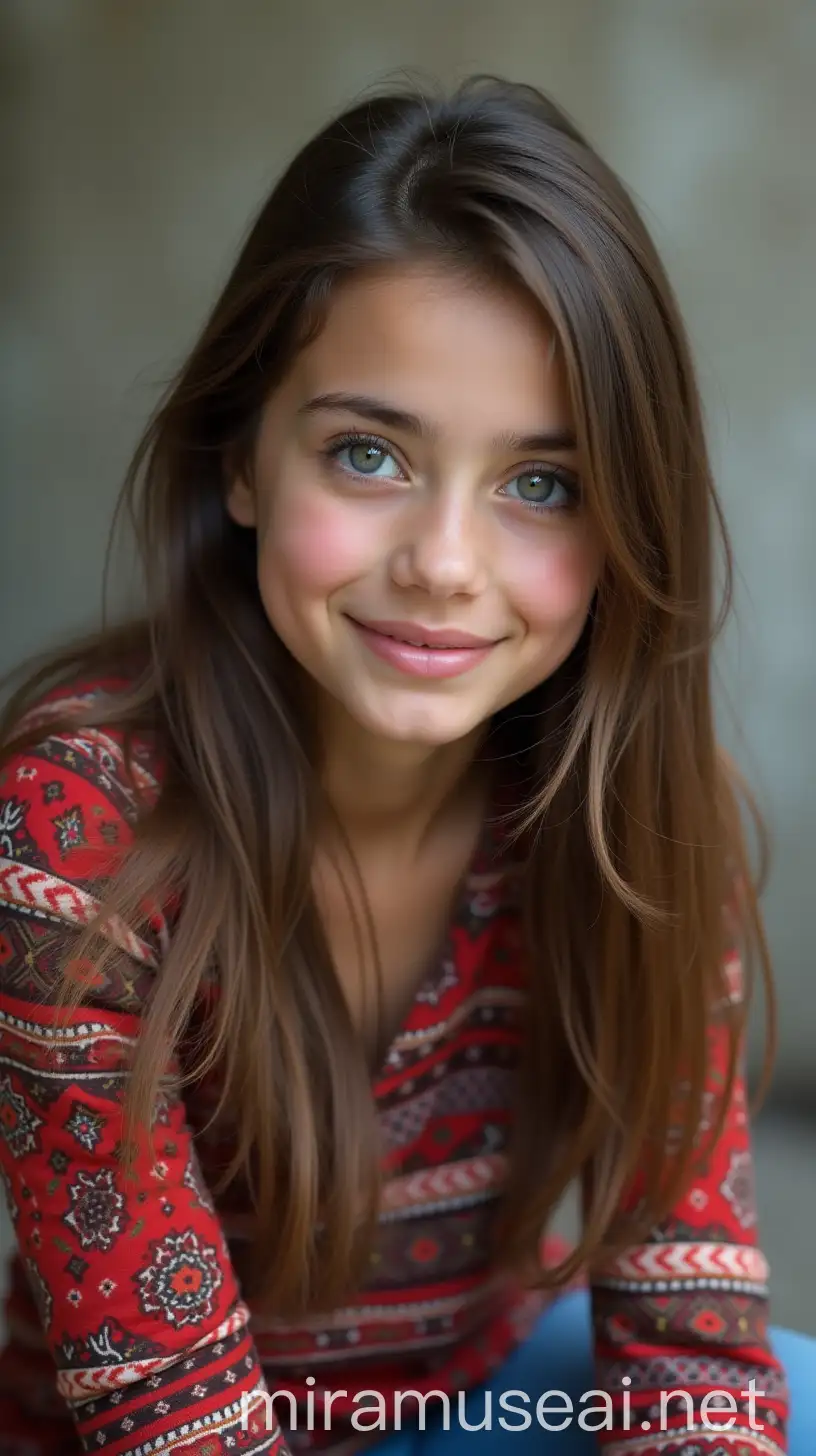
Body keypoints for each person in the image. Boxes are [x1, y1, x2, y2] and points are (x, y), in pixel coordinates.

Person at [0, 75, 812, 1456]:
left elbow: (688, 1340)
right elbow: (174, 1423)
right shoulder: (77, 837)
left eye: (539, 483)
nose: (444, 563)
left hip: (475, 1406)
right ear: (245, 459)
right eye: (368, 453)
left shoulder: (637, 826)